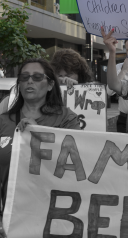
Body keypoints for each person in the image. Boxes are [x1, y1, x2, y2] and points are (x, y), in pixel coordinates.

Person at [0, 58, 81, 237]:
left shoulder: (67, 119)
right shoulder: (3, 121)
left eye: (37, 77)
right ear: (19, 84)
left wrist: (39, 133)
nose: (30, 81)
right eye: (24, 77)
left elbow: (77, 162)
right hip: (13, 218)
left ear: (50, 85)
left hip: (57, 218)